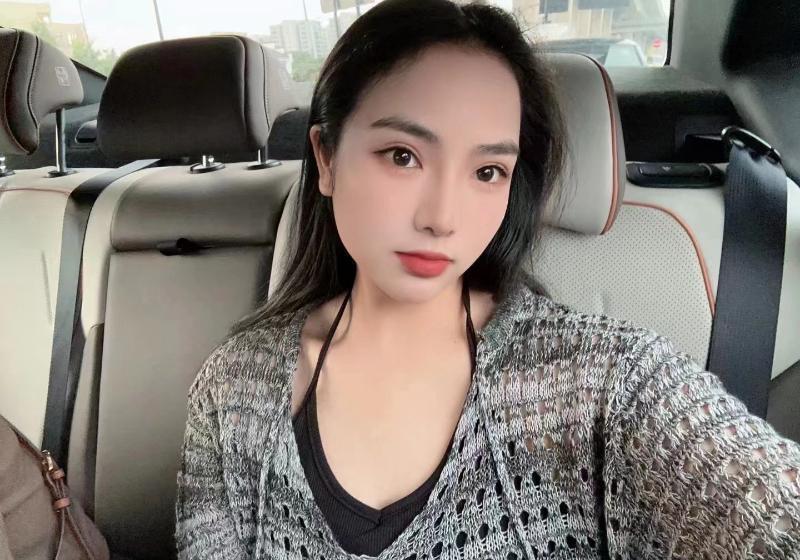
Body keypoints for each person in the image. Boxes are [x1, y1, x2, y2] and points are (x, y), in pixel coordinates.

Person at [174, 0, 800, 558]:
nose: (442, 218)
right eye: (403, 156)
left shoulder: (603, 382)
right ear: (327, 158)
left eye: (487, 172)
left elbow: (765, 509)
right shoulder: (233, 389)